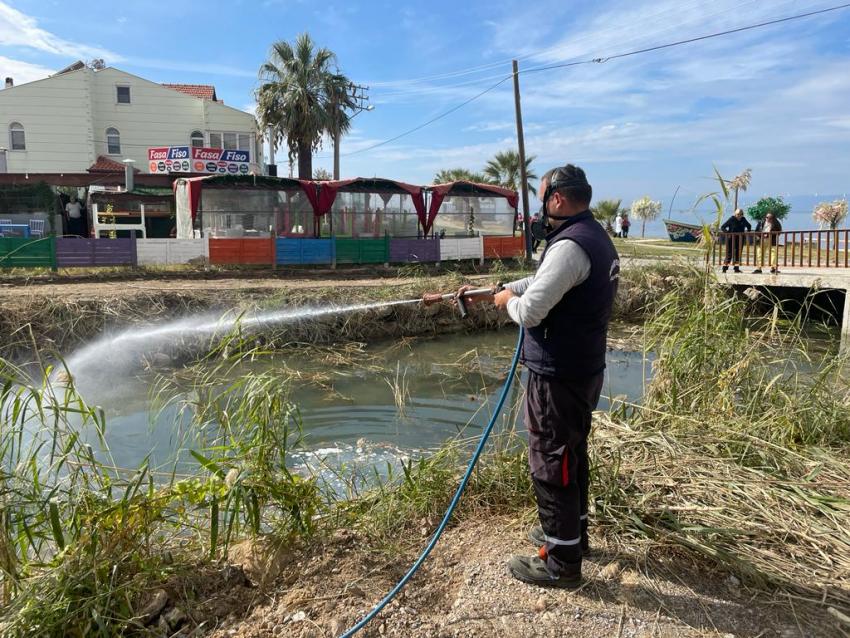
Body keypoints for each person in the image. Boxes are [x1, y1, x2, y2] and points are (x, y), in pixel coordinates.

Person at [428, 164, 620, 589]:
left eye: (542, 198)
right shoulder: (591, 237)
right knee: (570, 456)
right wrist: (494, 290)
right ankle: (573, 537)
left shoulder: (569, 246)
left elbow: (532, 309)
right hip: (582, 368)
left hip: (559, 374)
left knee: (552, 461)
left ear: (557, 200)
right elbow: (541, 282)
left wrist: (505, 302)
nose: (539, 210)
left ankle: (560, 562)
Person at [720, 208, 752, 273]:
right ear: (735, 214)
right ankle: (724, 268)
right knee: (729, 254)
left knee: (738, 254)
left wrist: (747, 232)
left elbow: (749, 226)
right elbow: (723, 227)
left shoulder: (743, 219)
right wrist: (728, 233)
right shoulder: (732, 219)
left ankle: (736, 268)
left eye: (741, 214)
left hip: (740, 239)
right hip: (731, 239)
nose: (739, 215)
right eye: (738, 214)